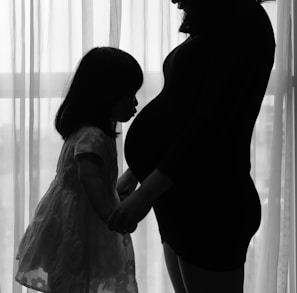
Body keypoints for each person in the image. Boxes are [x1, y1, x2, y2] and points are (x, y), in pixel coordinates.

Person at [108, 0, 276, 292]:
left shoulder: (245, 21)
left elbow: (213, 127)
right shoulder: (215, 26)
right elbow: (183, 111)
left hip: (210, 206)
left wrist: (146, 192)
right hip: (178, 199)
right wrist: (135, 174)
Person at [15, 47, 143, 293]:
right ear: (107, 95)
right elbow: (88, 178)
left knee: (76, 280)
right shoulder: (92, 136)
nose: (135, 102)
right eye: (129, 95)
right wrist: (110, 215)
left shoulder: (84, 132)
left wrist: (114, 193)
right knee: (77, 277)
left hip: (75, 218)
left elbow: (93, 181)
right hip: (81, 225)